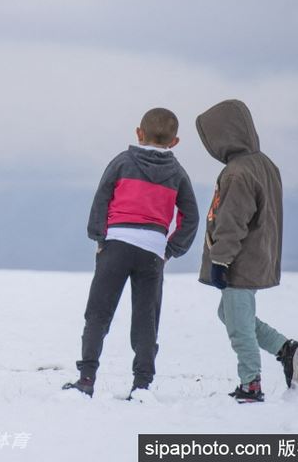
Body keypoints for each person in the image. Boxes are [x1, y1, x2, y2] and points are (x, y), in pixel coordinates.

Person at [63, 108, 199, 400]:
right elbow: (191, 216)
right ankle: (141, 385)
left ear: (138, 133)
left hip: (116, 245)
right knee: (146, 320)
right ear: (175, 142)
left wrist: (99, 237)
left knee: (98, 314)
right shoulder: (177, 174)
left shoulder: (122, 162)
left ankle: (86, 379)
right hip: (152, 252)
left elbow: (102, 196)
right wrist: (172, 249)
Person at [195, 99, 298, 402]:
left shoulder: (237, 173)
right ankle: (287, 350)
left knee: (238, 325)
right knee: (231, 314)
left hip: (239, 262)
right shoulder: (264, 164)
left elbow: (232, 221)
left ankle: (251, 383)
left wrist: (220, 259)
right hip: (260, 255)